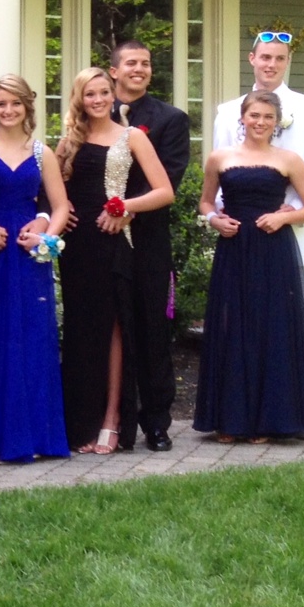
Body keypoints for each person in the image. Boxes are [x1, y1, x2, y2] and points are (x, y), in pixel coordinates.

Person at [55, 67, 174, 455]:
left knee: (114, 330)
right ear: (80, 98)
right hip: (76, 247)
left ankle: (111, 420)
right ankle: (81, 424)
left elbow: (164, 191)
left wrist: (125, 207)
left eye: (104, 92)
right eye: (90, 94)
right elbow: (49, 189)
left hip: (113, 241)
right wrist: (60, 211)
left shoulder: (132, 137)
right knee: (81, 331)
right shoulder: (68, 141)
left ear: (114, 95)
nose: (98, 100)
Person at [195, 91, 304, 442]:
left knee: (271, 327)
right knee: (232, 327)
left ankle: (269, 421)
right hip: (234, 249)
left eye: (268, 117)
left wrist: (284, 218)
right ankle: (229, 420)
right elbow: (206, 202)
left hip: (273, 252)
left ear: (276, 122)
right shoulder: (220, 158)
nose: (260, 122)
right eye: (254, 115)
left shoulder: (289, 159)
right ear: (243, 117)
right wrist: (214, 221)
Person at [0, 74, 71, 463]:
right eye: (1, 104)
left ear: (27, 107)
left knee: (32, 338)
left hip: (27, 257)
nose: (8, 110)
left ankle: (38, 436)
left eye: (15, 103)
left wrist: (46, 234)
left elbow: (60, 206)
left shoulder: (42, 152)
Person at [212, 32, 304, 314]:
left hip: (292, 237)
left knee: (286, 323)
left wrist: (293, 211)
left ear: (288, 62)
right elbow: (220, 174)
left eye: (280, 58)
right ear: (252, 59)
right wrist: (222, 214)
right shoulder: (227, 112)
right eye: (266, 57)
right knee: (239, 319)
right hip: (240, 238)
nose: (272, 64)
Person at [109, 41, 190, 452]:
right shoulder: (94, 112)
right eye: (131, 63)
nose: (139, 69)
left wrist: (125, 209)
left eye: (145, 63)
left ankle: (156, 423)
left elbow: (168, 178)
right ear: (114, 71)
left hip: (148, 241)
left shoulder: (170, 120)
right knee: (107, 329)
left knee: (151, 331)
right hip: (102, 238)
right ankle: (108, 421)